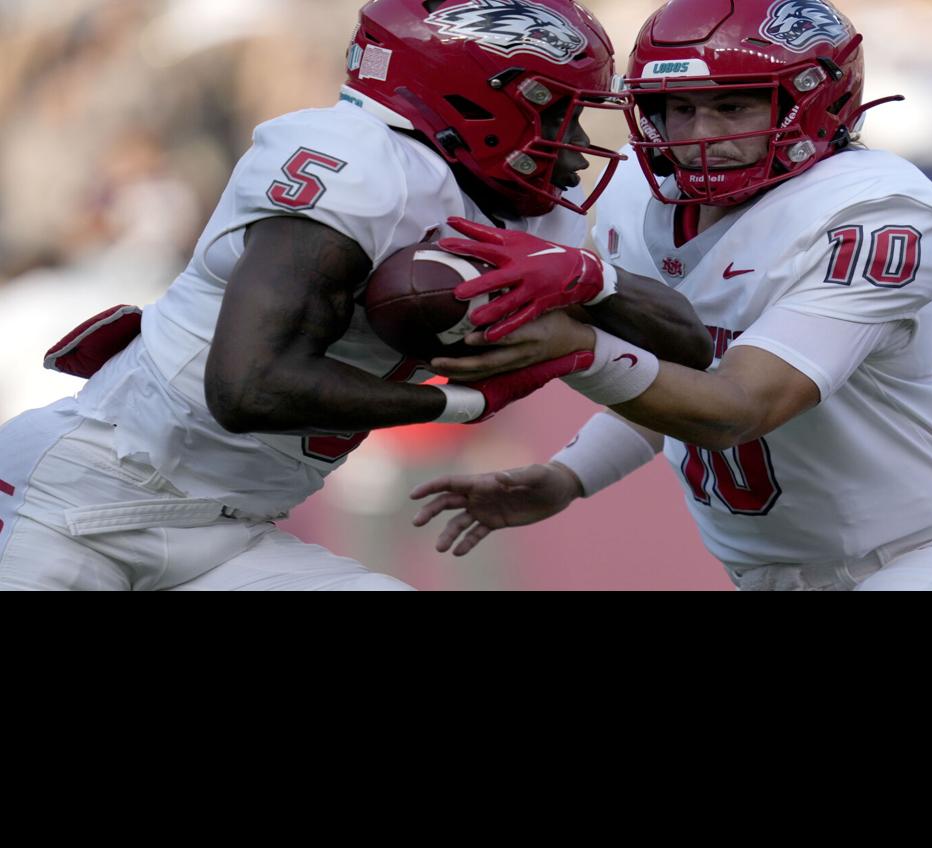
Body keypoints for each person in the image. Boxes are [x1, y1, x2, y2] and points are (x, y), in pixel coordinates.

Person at [0, 0, 709, 591]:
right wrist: (459, 403)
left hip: (227, 534)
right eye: (556, 111)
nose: (577, 140)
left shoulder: (526, 214)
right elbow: (249, 386)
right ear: (472, 94)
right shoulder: (358, 162)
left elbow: (692, 350)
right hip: (76, 499)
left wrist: (594, 280)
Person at [412, 0, 932, 591]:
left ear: (815, 104)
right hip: (770, 576)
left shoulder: (874, 211)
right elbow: (675, 382)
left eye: (732, 107)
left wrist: (577, 346)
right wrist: (568, 476)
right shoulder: (634, 195)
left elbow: (738, 406)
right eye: (679, 107)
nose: (698, 133)